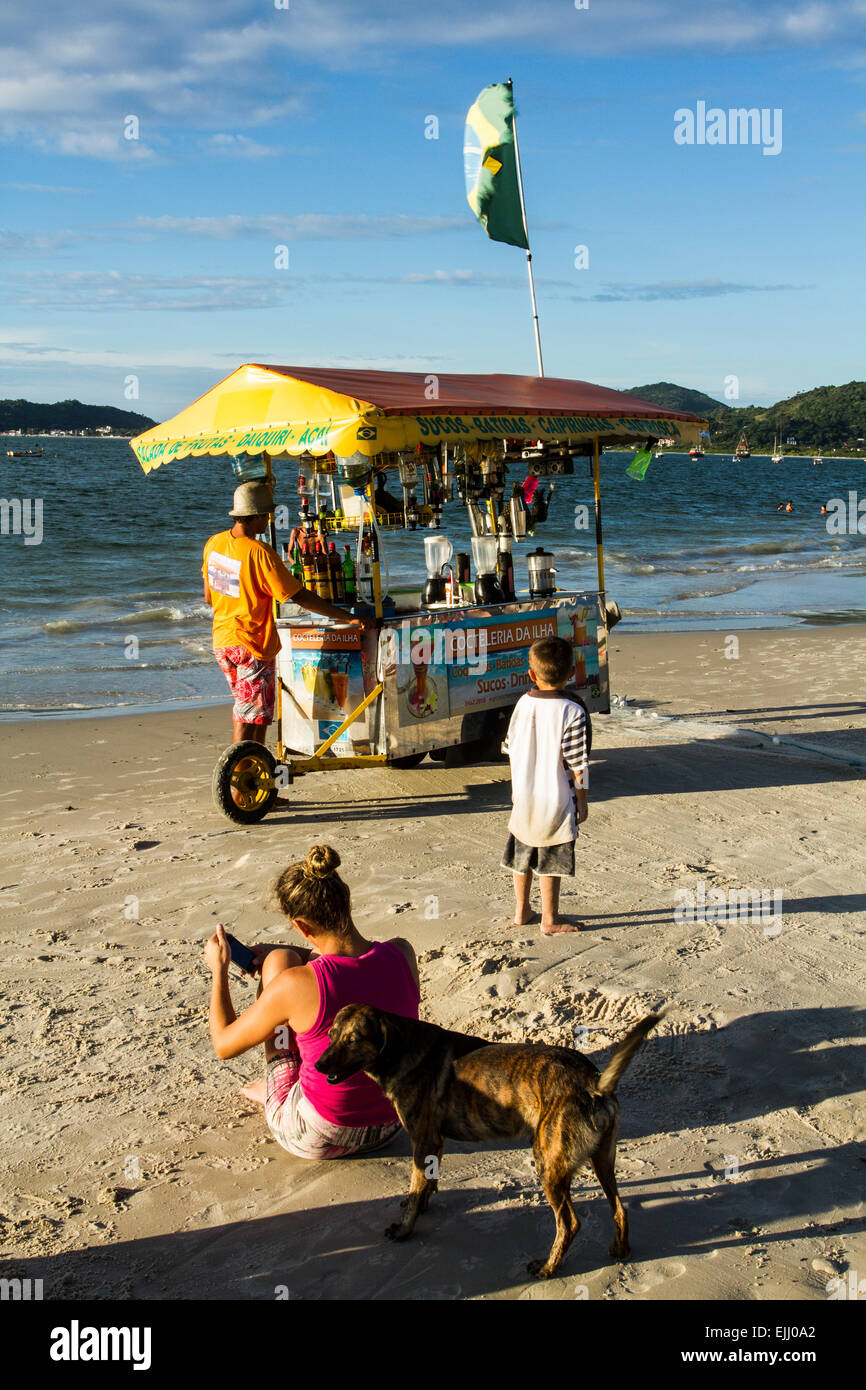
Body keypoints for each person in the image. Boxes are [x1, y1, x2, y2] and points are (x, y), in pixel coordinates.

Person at [204, 845, 420, 1160]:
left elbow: (224, 1044)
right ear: (346, 894)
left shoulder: (296, 986)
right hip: (394, 1122)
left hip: (320, 1135)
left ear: (302, 927)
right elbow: (351, 971)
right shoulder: (402, 953)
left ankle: (276, 1089)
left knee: (279, 962)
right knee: (284, 961)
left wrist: (220, 970)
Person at [203, 481, 364, 745]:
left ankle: (248, 773)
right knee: (252, 718)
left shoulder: (214, 543)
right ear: (254, 516)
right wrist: (345, 617)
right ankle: (242, 780)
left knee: (246, 709)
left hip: (223, 642)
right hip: (252, 644)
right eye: (265, 516)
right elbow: (296, 595)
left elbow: (210, 597)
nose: (268, 521)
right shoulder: (259, 552)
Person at [501, 636, 589, 936]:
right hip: (556, 798)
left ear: (531, 674)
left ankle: (521, 909)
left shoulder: (523, 703)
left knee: (522, 853)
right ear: (571, 674)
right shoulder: (573, 712)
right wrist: (583, 799)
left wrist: (516, 785)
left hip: (523, 796)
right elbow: (578, 764)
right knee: (551, 858)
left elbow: (510, 747)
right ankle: (549, 918)